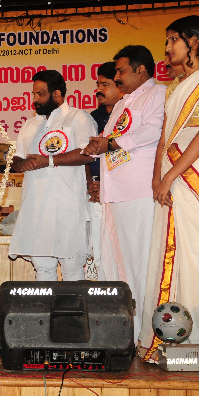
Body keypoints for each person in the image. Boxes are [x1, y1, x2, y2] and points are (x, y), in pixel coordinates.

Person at [83, 45, 166, 342]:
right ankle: (125, 332)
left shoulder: (158, 94)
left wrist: (112, 144)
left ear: (140, 70)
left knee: (140, 263)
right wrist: (98, 145)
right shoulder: (123, 103)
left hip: (139, 192)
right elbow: (111, 140)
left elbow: (153, 131)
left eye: (120, 70)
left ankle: (147, 334)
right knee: (115, 264)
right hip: (114, 194)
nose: (116, 76)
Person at [138, 15, 199, 362]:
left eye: (173, 40)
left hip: (193, 175)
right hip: (170, 177)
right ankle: (171, 339)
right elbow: (165, 137)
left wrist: (170, 176)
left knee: (193, 254)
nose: (167, 48)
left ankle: (196, 339)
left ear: (193, 40)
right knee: (168, 254)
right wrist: (157, 177)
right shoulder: (175, 86)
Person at [9, 70, 97, 281]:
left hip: (69, 209)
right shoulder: (30, 125)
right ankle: (45, 306)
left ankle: (72, 306)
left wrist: (48, 161)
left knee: (72, 270)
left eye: (40, 94)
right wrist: (21, 164)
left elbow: (88, 153)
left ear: (57, 94)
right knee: (43, 270)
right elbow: (15, 159)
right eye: (33, 94)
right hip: (37, 211)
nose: (35, 99)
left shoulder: (78, 118)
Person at [86, 62, 124, 281]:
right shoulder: (90, 118)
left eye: (105, 85)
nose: (98, 90)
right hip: (96, 193)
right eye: (97, 84)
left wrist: (109, 186)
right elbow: (84, 156)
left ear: (120, 86)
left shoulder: (127, 118)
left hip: (123, 194)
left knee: (122, 253)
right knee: (99, 255)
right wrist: (90, 184)